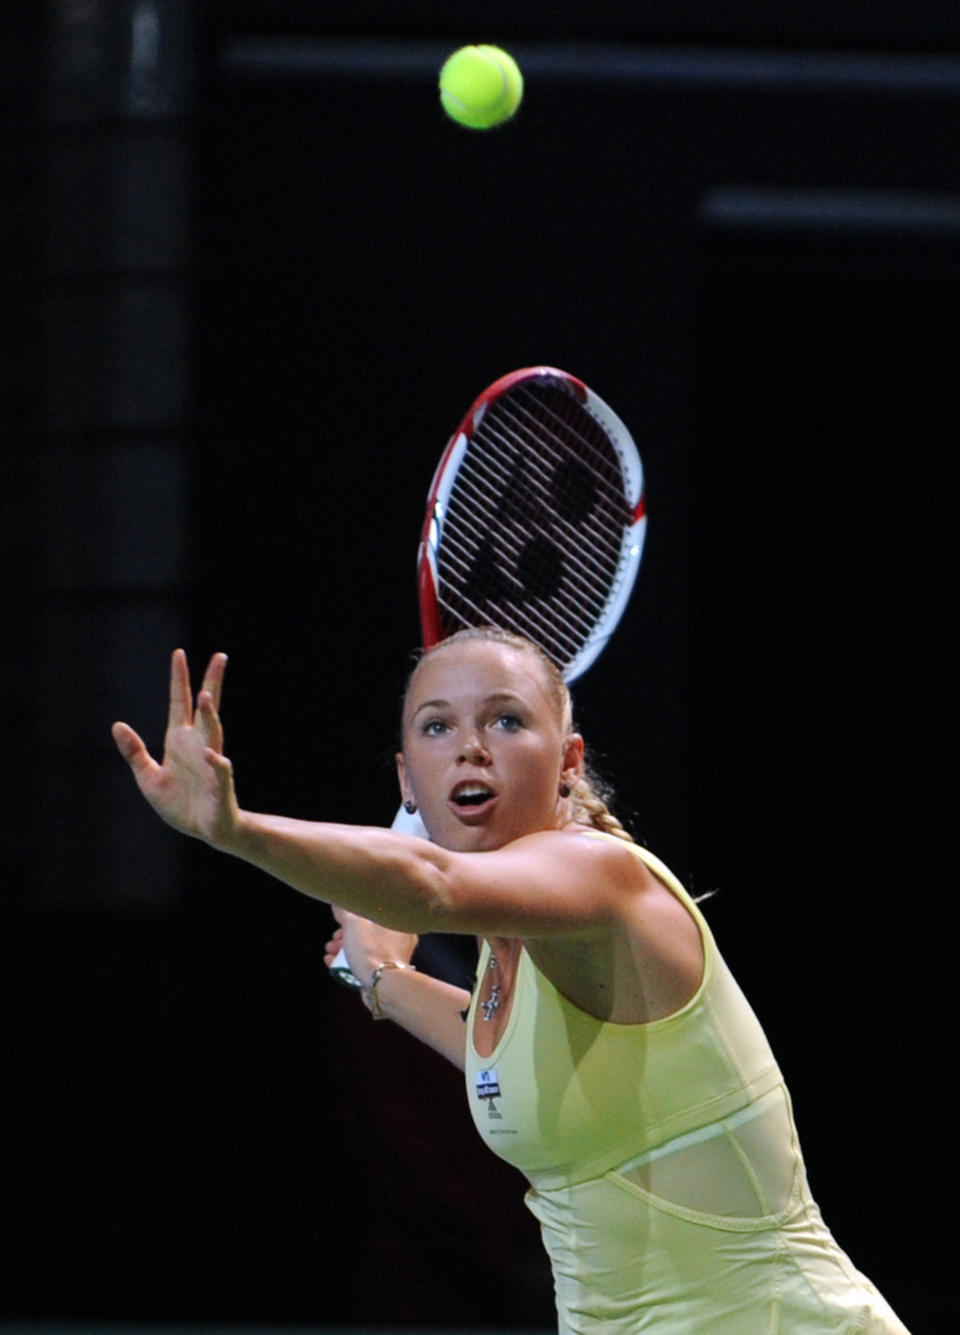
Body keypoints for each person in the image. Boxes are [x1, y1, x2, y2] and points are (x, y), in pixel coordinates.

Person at [113, 628, 909, 1334]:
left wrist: (238, 830)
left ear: (568, 761)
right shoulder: (513, 954)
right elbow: (497, 1049)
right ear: (406, 777)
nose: (470, 747)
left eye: (505, 719)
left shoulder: (603, 881)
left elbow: (428, 883)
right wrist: (383, 977)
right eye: (437, 726)